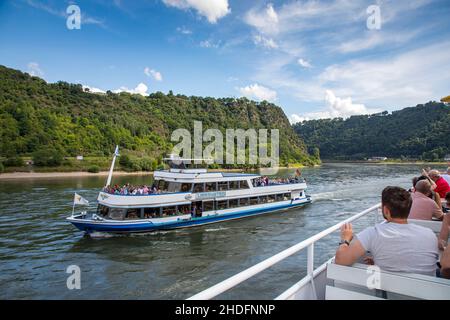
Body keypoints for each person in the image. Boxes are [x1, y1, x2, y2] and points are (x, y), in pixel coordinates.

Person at [335, 186, 439, 276]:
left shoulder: (374, 233)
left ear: (386, 211)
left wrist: (345, 239)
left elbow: (340, 260)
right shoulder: (430, 234)